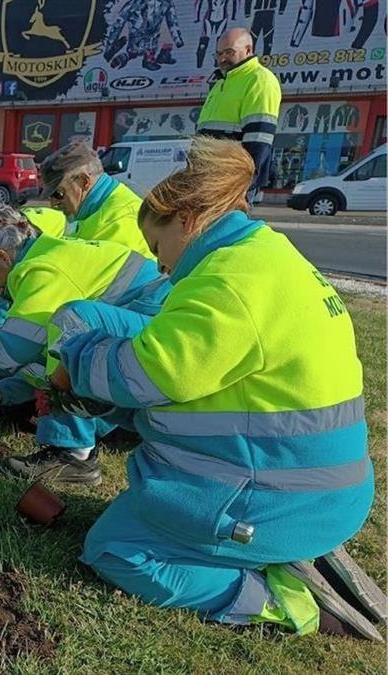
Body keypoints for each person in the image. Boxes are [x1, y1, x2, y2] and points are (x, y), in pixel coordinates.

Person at [52, 137, 383, 639]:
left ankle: (283, 600)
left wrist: (75, 362)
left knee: (115, 549)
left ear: (186, 221)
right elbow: (215, 382)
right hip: (323, 487)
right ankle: (288, 545)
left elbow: (150, 374)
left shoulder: (226, 282)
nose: (161, 267)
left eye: (158, 249)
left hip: (279, 499)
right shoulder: (265, 253)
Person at [0, 204, 168, 485]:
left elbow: (15, 350)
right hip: (149, 331)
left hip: (158, 336)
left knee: (72, 323)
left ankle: (73, 456)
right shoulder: (47, 251)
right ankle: (116, 424)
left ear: (3, 257)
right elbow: (44, 356)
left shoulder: (39, 269)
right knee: (59, 342)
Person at [196, 27, 282, 203]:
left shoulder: (259, 79)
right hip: (208, 179)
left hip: (230, 183)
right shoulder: (221, 82)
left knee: (224, 229)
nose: (222, 58)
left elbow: (258, 139)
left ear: (248, 50)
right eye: (218, 53)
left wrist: (242, 186)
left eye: (229, 52)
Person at [40, 141, 154, 260]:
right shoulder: (116, 196)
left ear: (84, 181)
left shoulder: (111, 224)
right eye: (50, 197)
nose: (53, 204)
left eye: (59, 193)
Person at [0, 206, 67, 327]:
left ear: (3, 257)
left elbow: (21, 334)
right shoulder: (19, 238)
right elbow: (6, 283)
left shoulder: (38, 271)